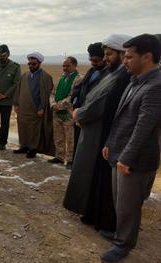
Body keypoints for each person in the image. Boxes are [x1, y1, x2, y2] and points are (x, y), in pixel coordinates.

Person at [100, 34, 161, 262]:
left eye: (130, 56)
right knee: (120, 202)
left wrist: (125, 157)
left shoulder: (156, 86)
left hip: (136, 159)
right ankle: (121, 233)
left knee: (129, 205)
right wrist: (109, 144)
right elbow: (121, 119)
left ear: (147, 57)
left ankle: (124, 243)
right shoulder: (135, 79)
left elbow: (143, 128)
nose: (125, 61)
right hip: (120, 152)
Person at [63, 34, 132, 233]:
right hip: (95, 131)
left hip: (102, 133)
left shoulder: (120, 76)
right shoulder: (113, 73)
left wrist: (80, 113)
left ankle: (104, 221)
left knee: (99, 178)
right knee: (94, 177)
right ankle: (92, 213)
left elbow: (99, 103)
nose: (106, 58)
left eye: (109, 54)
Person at [13, 51, 54, 158]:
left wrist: (41, 108)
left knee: (34, 130)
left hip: (36, 109)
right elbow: (18, 90)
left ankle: (33, 148)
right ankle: (24, 146)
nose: (31, 65)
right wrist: (16, 104)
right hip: (23, 108)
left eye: (34, 64)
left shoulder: (45, 77)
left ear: (39, 63)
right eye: (29, 64)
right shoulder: (24, 76)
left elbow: (47, 95)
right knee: (23, 127)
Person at [71, 42, 107, 156]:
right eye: (91, 60)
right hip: (80, 116)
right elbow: (80, 88)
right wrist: (76, 105)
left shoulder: (108, 74)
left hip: (92, 119)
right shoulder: (91, 71)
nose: (93, 63)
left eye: (96, 60)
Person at [49, 56, 81, 169]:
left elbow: (73, 96)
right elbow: (52, 93)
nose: (65, 68)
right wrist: (53, 104)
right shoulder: (60, 78)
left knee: (70, 137)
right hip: (56, 112)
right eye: (63, 65)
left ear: (74, 65)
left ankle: (71, 159)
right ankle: (59, 156)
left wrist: (61, 105)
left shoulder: (78, 79)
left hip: (68, 112)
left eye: (68, 66)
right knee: (58, 135)